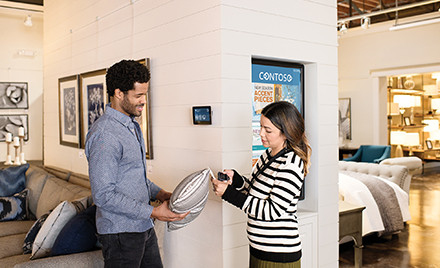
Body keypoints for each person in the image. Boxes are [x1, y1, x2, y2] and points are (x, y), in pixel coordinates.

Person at [85, 59, 189, 268]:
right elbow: (104, 195)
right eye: (138, 96)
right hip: (120, 233)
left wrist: (162, 195)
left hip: (142, 225)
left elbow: (134, 176)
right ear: (119, 93)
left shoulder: (131, 125)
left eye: (145, 94)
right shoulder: (105, 135)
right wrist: (153, 211)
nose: (143, 101)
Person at [211, 101, 311, 268]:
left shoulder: (291, 164)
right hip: (259, 249)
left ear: (286, 133)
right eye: (261, 127)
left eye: (268, 130)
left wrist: (228, 194)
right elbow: (254, 189)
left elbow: (271, 211)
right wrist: (235, 179)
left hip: (279, 255)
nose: (261, 133)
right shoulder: (268, 154)